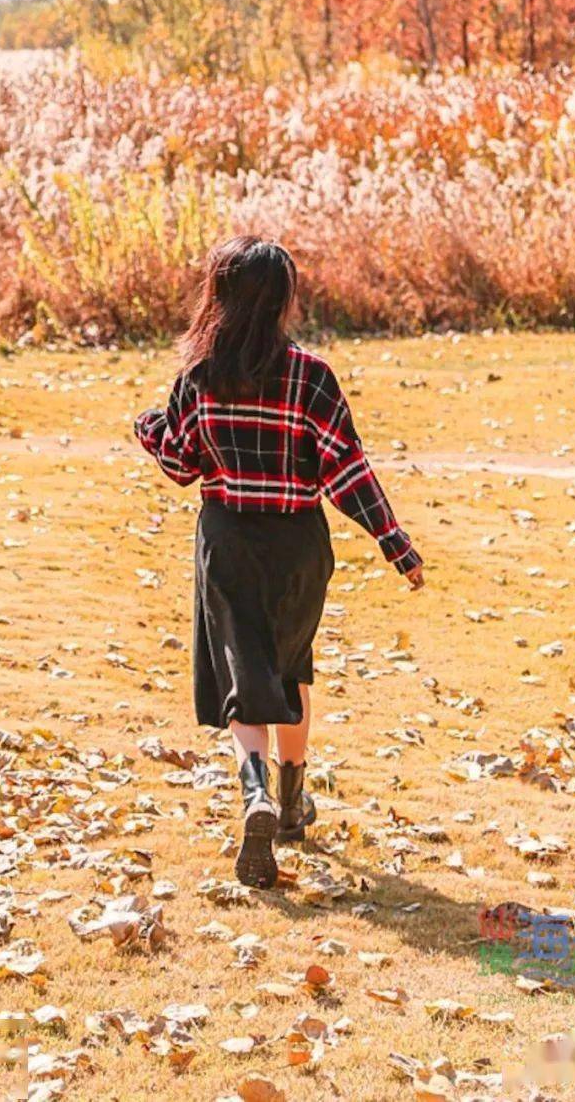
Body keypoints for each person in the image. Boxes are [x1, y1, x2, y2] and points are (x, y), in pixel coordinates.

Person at [134, 235, 424, 889]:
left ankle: (255, 794)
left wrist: (149, 427)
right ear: (284, 300)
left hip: (230, 540)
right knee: (290, 666)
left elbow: (180, 464)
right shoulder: (311, 376)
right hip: (298, 545)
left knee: (243, 673)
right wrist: (395, 543)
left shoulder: (199, 377)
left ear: (221, 297)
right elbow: (347, 468)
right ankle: (293, 802)